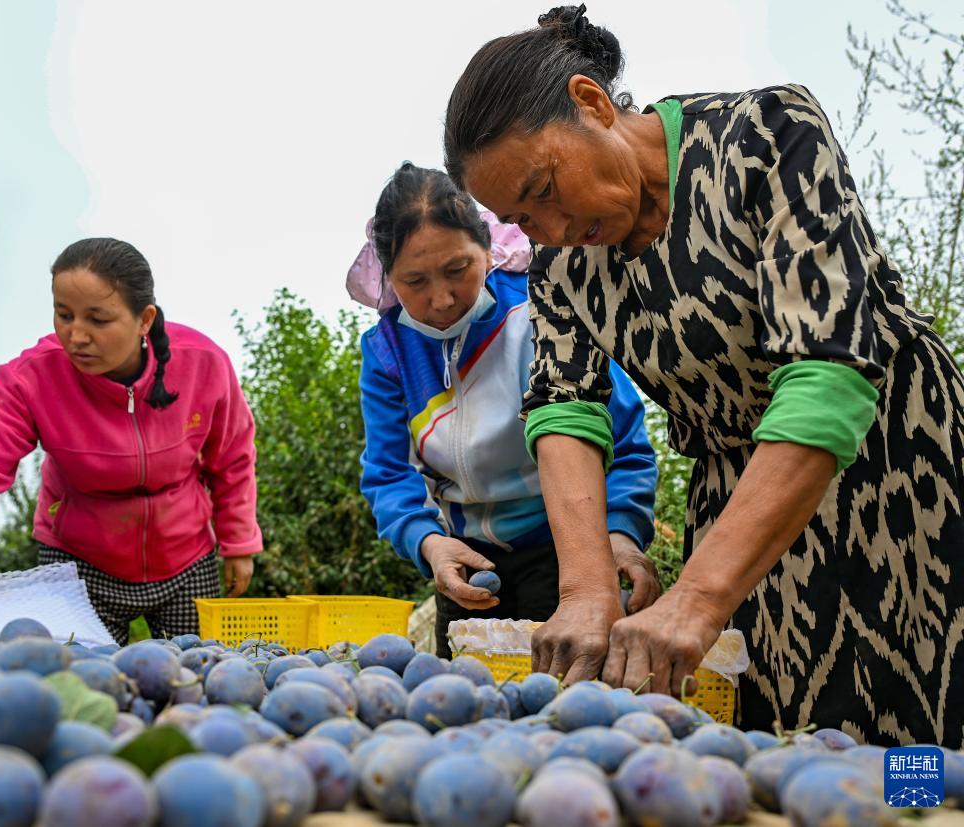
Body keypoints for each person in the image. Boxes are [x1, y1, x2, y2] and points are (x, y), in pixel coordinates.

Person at [442, 5, 964, 747]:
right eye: (523, 220)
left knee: (919, 739)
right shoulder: (560, 269)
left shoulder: (768, 135)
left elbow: (828, 373)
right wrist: (587, 588)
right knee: (786, 743)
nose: (551, 231)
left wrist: (699, 594)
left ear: (592, 103)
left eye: (547, 190)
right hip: (740, 502)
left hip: (894, 476)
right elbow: (563, 411)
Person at [351, 162, 660, 659]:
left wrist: (619, 535)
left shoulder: (541, 312)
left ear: (488, 248)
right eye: (415, 281)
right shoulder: (388, 352)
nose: (442, 298)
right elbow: (388, 474)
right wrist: (430, 544)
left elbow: (624, 446)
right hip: (466, 560)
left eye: (458, 269)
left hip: (569, 553)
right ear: (387, 277)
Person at [0, 238, 262, 645]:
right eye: (64, 315)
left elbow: (231, 457)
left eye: (98, 319)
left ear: (144, 319)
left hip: (185, 559)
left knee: (194, 677)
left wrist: (239, 542)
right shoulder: (31, 379)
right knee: (86, 680)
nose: (76, 336)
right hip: (79, 561)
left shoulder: (203, 363)